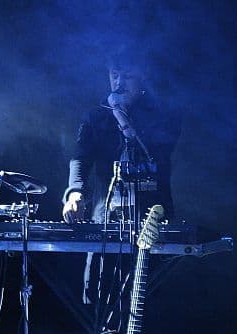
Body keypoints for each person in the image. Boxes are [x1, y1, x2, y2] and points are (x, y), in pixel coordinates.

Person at [61, 48, 182, 306]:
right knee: (99, 298)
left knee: (147, 301)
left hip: (152, 218)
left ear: (143, 78)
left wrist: (122, 117)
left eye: (127, 76)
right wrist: (75, 193)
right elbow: (80, 157)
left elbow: (158, 152)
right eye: (114, 75)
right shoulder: (96, 117)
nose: (119, 82)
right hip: (107, 217)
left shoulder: (164, 115)